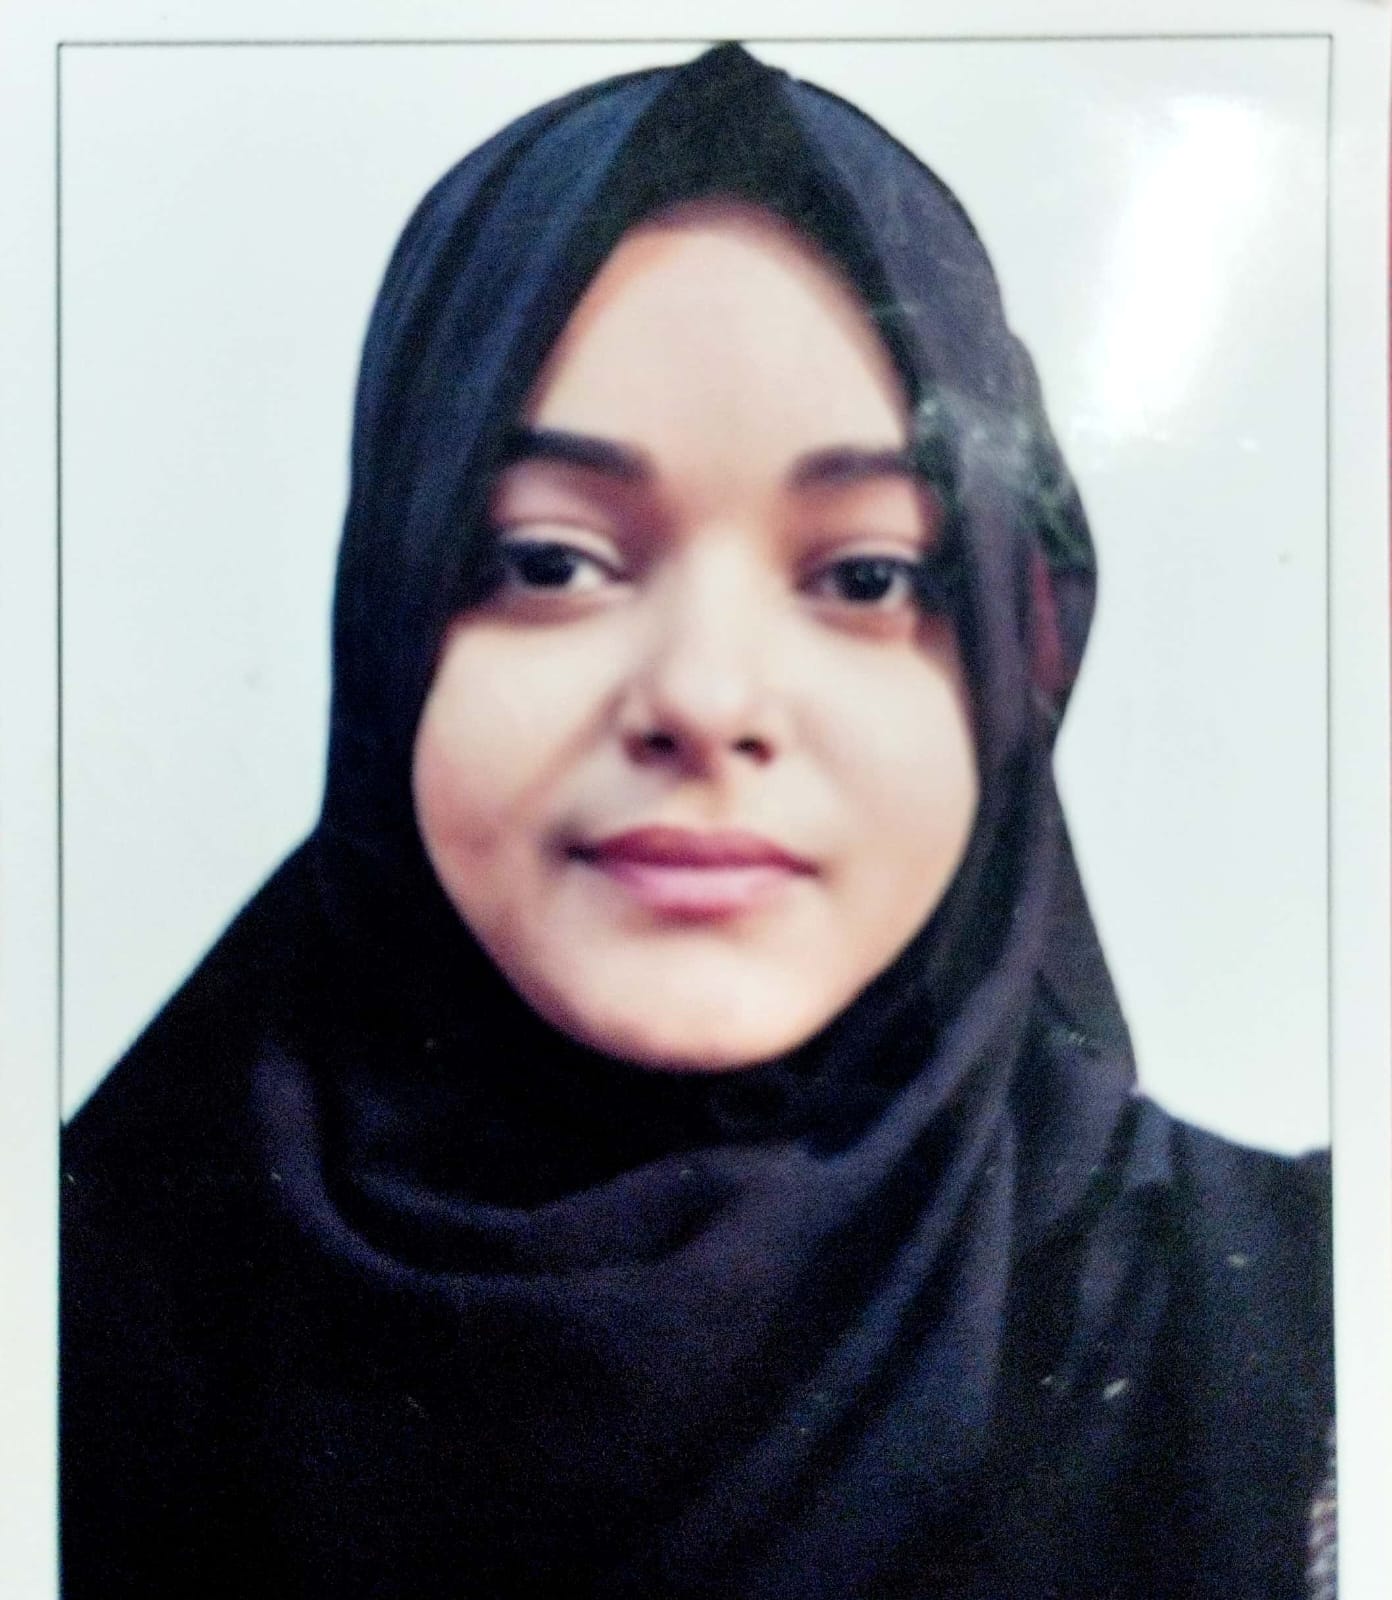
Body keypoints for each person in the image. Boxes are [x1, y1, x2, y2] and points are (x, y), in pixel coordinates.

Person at [60, 42, 1333, 1599]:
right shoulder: (67, 1307)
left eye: (867, 575)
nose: (706, 696)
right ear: (391, 615)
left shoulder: (1318, 1331)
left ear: (1017, 657)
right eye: (549, 561)